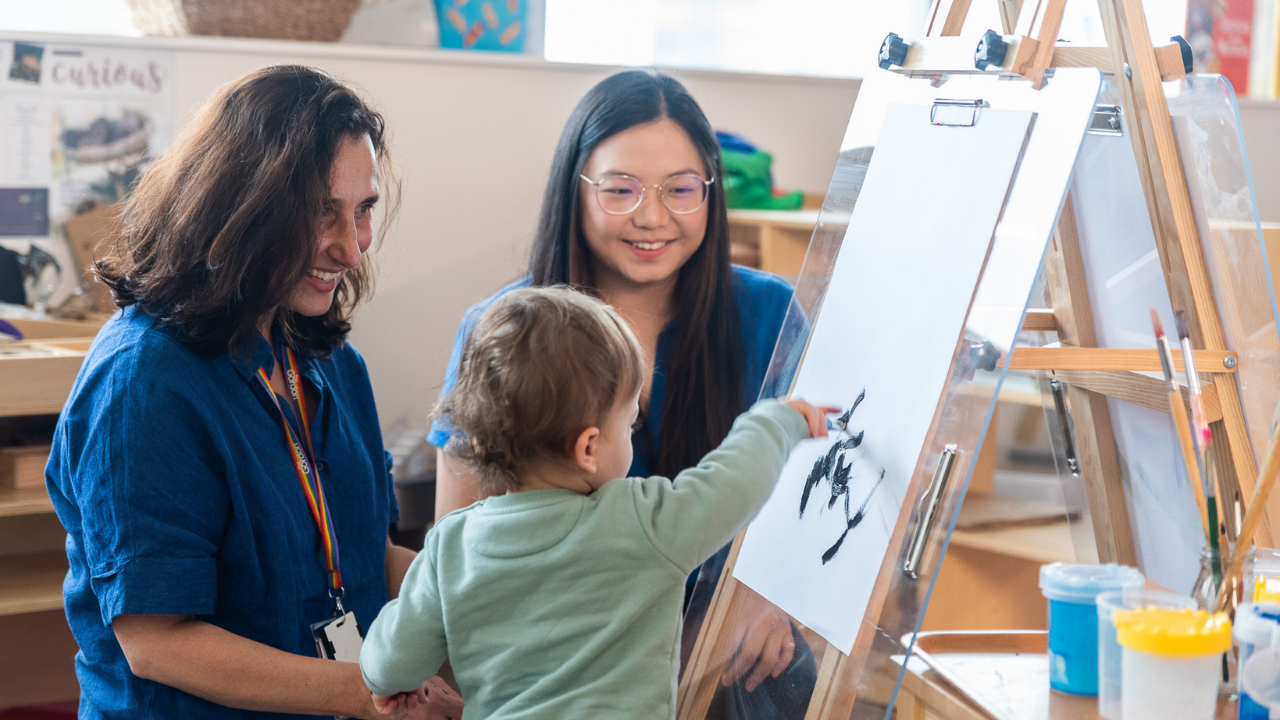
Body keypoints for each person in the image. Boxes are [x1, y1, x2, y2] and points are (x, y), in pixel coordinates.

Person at [45, 65, 462, 720]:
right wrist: (369, 691)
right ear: (240, 205)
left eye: (363, 210)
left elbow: (368, 557)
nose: (353, 249)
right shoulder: (143, 384)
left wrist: (494, 606)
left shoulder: (329, 360)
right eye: (323, 212)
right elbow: (158, 643)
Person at [428, 68, 813, 711]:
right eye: (620, 190)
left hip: (736, 659)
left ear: (710, 193)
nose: (652, 216)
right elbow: (456, 544)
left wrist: (773, 592)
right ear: (574, 189)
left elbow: (832, 489)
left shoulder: (771, 315)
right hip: (566, 676)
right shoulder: (498, 329)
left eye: (681, 189)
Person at [362, 286, 831, 718]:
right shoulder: (641, 521)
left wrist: (384, 679)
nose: (632, 433)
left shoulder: (450, 547)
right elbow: (732, 484)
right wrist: (777, 422)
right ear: (588, 448)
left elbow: (390, 663)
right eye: (629, 424)